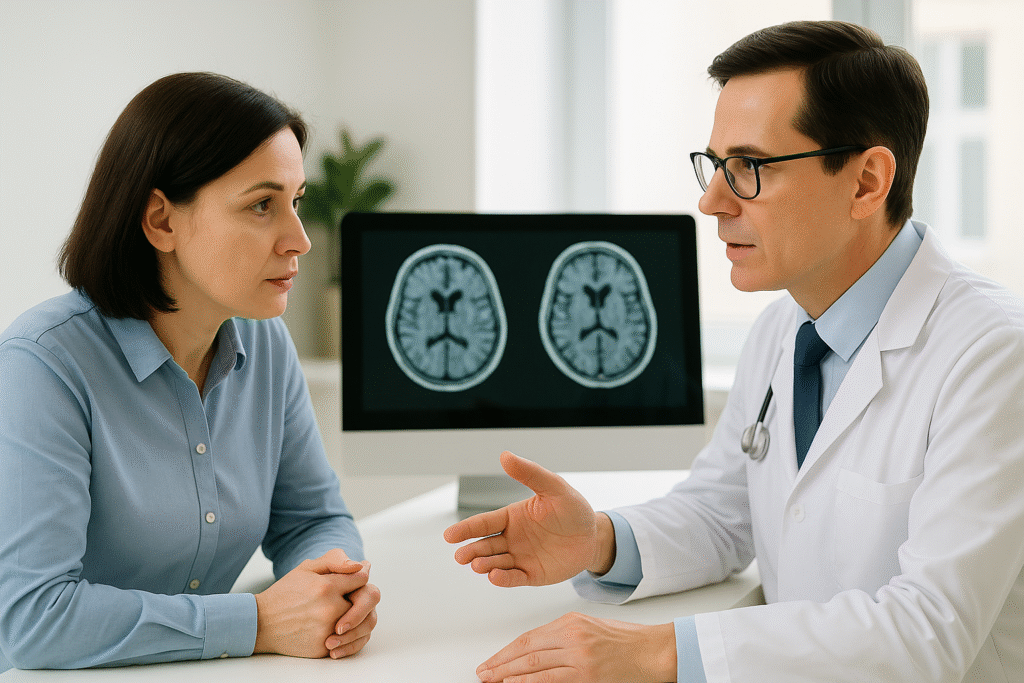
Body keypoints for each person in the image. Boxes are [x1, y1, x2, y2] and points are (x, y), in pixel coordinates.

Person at [444, 20, 1024, 683]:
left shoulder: (991, 354)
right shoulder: (783, 329)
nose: (711, 201)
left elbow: (928, 629)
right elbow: (722, 514)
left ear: (866, 182)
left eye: (749, 167)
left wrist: (658, 651)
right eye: (716, 165)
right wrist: (598, 539)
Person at [0, 72, 380, 672]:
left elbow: (312, 519)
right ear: (161, 221)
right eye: (262, 205)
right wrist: (259, 622)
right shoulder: (42, 364)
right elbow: (33, 617)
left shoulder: (265, 342)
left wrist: (334, 588)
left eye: (297, 201)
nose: (300, 240)